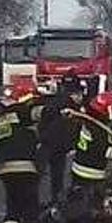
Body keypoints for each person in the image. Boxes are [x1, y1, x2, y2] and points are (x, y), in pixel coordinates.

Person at [66, 91, 112, 223]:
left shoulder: (91, 123)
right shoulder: (98, 129)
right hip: (92, 175)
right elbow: (105, 151)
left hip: (79, 169)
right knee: (93, 212)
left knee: (77, 204)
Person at [0, 81, 44, 223]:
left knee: (13, 205)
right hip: (25, 165)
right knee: (30, 204)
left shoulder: (2, 116)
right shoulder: (24, 110)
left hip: (6, 167)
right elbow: (41, 113)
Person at [38, 72, 84, 206]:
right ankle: (55, 201)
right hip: (59, 145)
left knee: (40, 174)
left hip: (49, 143)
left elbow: (44, 118)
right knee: (56, 175)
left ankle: (33, 204)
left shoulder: (54, 101)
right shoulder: (74, 107)